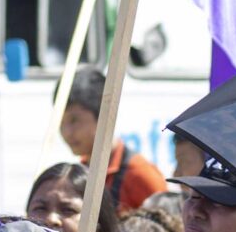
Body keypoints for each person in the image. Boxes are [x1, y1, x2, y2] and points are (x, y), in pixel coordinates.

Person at [58, 67, 166, 214]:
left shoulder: (140, 174)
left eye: (74, 120)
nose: (67, 132)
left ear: (103, 116)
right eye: (60, 121)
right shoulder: (82, 172)